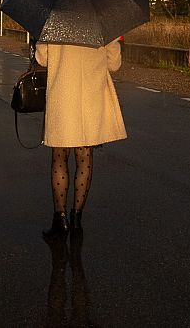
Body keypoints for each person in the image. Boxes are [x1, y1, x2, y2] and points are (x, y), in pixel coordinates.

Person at [34, 37, 125, 236]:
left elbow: (42, 58)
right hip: (91, 98)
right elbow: (114, 64)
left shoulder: (56, 21)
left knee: (59, 157)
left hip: (62, 95)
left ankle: (60, 220)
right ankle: (77, 219)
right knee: (85, 158)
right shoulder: (102, 23)